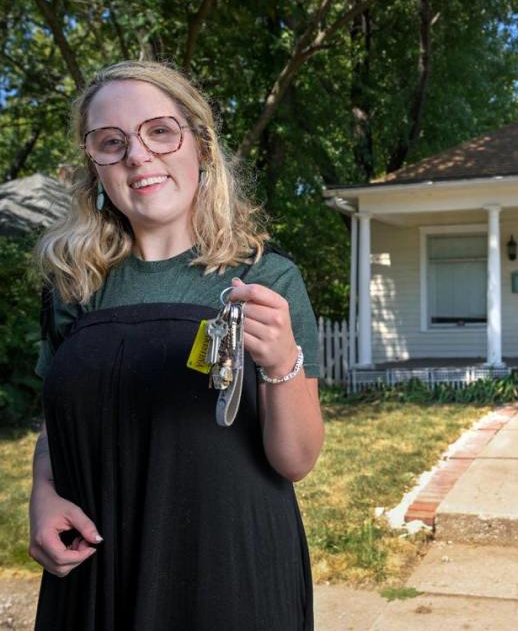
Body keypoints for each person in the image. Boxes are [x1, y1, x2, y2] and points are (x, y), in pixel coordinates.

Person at [28, 60, 324, 630]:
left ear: (202, 146)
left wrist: (283, 361)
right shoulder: (74, 284)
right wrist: (43, 494)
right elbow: (54, 423)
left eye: (160, 131)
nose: (138, 155)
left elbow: (297, 459)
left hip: (228, 572)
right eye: (110, 142)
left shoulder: (267, 278)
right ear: (95, 168)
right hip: (98, 569)